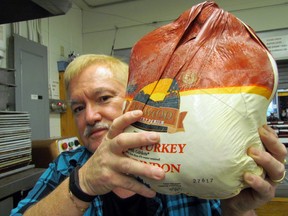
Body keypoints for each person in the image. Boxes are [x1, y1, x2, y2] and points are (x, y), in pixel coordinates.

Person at [11, 54, 287, 216]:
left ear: (137, 99)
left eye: (104, 98)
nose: (90, 116)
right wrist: (82, 185)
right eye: (79, 108)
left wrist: (237, 209)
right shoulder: (67, 166)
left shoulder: (189, 157)